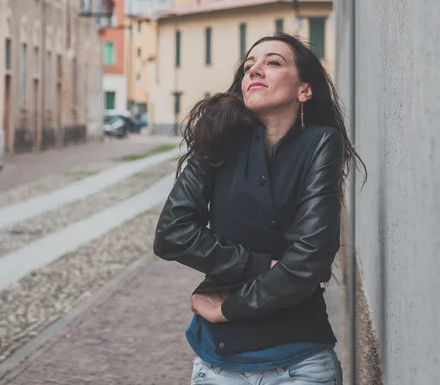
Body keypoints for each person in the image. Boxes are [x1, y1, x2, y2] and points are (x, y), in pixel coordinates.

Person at [154, 33, 365, 384]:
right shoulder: (218, 139)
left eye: (273, 62)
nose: (255, 70)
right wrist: (257, 264)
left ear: (304, 90)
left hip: (298, 364)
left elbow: (307, 263)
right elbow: (172, 234)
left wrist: (227, 308)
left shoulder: (320, 144)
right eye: (249, 65)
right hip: (218, 365)